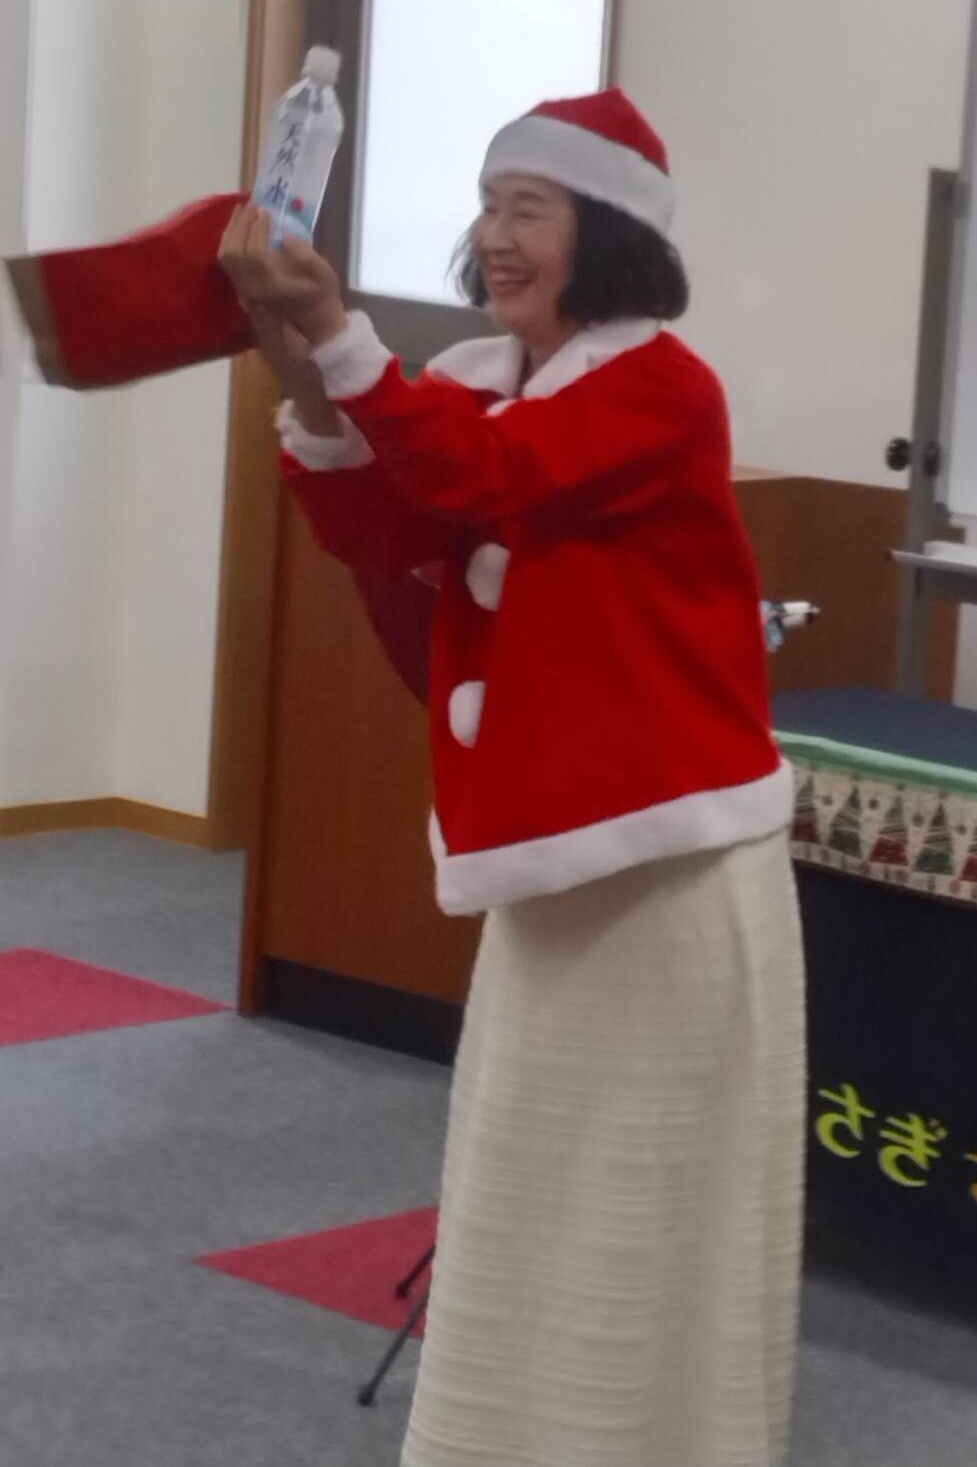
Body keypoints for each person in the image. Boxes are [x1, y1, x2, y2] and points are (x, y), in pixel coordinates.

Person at [219, 88, 806, 1467]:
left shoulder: (661, 387)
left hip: (666, 870)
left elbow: (484, 480)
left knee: (640, 1196)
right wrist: (306, 374)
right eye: (487, 207)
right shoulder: (490, 383)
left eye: (527, 210)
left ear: (607, 232)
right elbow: (384, 520)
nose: (494, 237)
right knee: (532, 1176)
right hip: (561, 860)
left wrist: (343, 336)